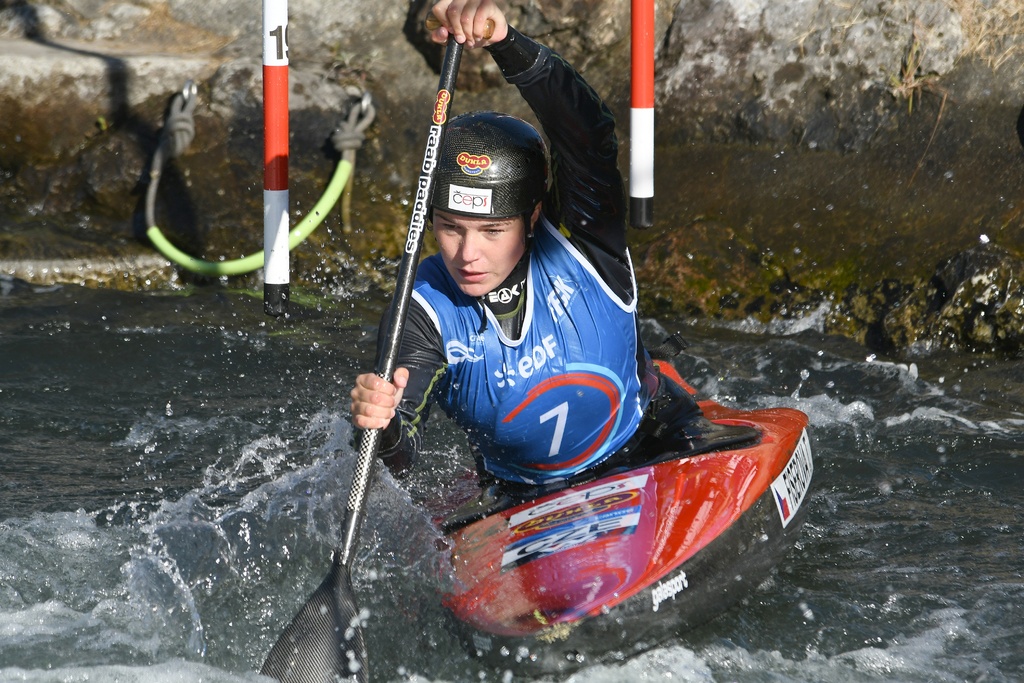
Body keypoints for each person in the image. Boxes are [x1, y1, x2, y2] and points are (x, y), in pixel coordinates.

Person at [350, 0, 755, 515]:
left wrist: (507, 44)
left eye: (492, 230)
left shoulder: (582, 236)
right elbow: (400, 456)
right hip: (525, 499)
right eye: (450, 228)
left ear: (534, 214)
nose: (467, 254)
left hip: (652, 442)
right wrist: (380, 429)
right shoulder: (421, 311)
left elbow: (589, 131)